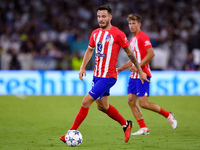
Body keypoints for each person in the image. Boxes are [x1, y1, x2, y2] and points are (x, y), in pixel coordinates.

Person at [60, 5, 150, 143]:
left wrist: (140, 69)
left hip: (109, 76)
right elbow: (90, 50)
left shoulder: (118, 34)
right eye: (99, 16)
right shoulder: (95, 33)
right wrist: (82, 67)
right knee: (102, 106)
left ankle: (70, 133)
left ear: (110, 17)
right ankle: (126, 124)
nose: (101, 19)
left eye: (103, 16)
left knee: (85, 101)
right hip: (97, 75)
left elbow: (130, 54)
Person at [118, 14, 177, 135]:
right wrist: (121, 68)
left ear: (139, 24)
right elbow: (134, 59)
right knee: (130, 101)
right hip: (134, 75)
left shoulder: (142, 36)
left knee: (143, 103)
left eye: (134, 23)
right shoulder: (133, 39)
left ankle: (168, 115)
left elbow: (151, 54)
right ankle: (143, 128)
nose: (131, 26)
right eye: (130, 23)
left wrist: (138, 66)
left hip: (142, 74)